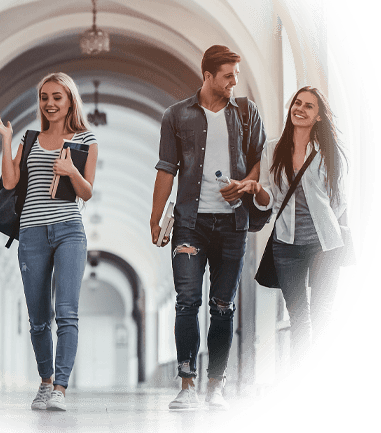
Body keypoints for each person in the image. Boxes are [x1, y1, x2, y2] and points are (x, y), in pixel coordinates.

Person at [150, 45, 266, 411]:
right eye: (228, 75)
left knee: (222, 306)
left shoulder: (246, 113)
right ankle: (186, 385)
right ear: (208, 76)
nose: (234, 81)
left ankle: (215, 385)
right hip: (189, 224)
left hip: (233, 224)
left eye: (236, 75)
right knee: (187, 302)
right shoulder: (176, 115)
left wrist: (245, 185)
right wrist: (155, 219)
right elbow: (166, 169)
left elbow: (258, 163)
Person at [0, 72, 98, 412]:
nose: (50, 103)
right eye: (44, 97)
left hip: (69, 230)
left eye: (57, 97)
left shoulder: (85, 139)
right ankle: (45, 382)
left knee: (67, 313)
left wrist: (71, 173)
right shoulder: (31, 138)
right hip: (32, 233)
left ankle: (61, 389)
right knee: (38, 318)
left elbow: (87, 192)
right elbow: (10, 183)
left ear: (70, 101)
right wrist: (7, 140)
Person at [238, 86, 350, 368]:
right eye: (297, 103)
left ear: (320, 117)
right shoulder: (273, 148)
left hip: (324, 243)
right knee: (298, 314)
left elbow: (339, 200)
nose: (299, 109)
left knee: (322, 313)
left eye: (308, 106)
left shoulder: (327, 152)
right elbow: (268, 200)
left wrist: (323, 223)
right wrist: (256, 190)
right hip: (286, 245)